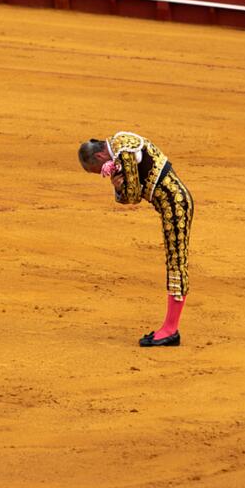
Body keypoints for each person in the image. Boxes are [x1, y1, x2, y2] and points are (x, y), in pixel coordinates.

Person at [79, 132, 194, 347]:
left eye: (98, 170)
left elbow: (132, 196)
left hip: (175, 204)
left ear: (100, 157)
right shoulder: (120, 143)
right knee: (175, 261)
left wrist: (117, 186)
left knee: (176, 263)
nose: (102, 173)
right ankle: (170, 328)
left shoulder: (124, 152)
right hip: (172, 202)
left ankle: (171, 330)